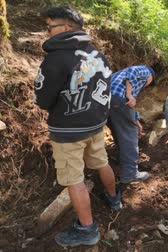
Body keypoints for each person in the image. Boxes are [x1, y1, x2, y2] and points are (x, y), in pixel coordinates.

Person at [34, 6, 121, 247]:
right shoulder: (97, 54)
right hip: (96, 124)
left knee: (74, 179)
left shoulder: (55, 59)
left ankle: (87, 229)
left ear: (66, 28)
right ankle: (114, 199)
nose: (47, 32)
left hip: (68, 130)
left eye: (50, 27)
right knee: (101, 161)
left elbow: (42, 100)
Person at [108, 65, 156, 183]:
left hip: (105, 102)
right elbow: (132, 71)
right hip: (119, 100)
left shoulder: (119, 74)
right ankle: (130, 174)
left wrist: (137, 122)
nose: (146, 86)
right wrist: (129, 94)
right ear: (151, 77)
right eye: (149, 83)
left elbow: (130, 107)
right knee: (129, 137)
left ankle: (122, 159)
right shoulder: (145, 71)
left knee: (119, 132)